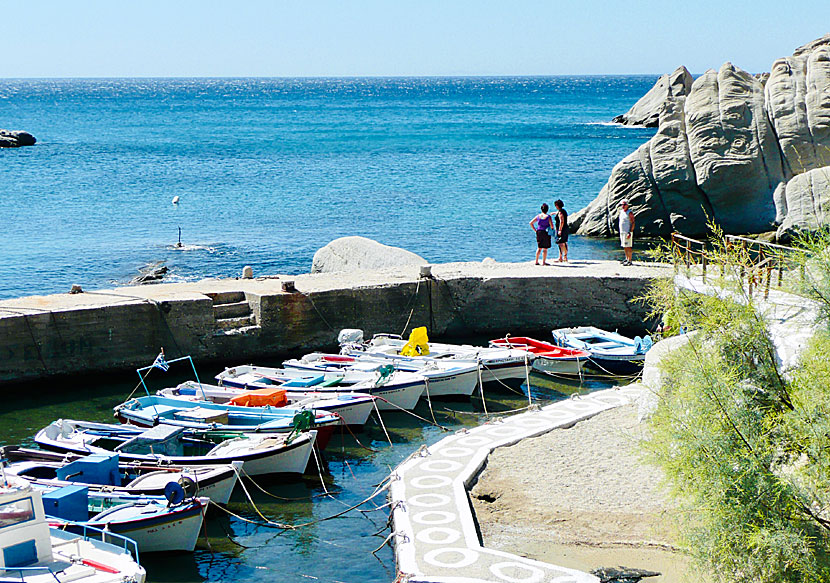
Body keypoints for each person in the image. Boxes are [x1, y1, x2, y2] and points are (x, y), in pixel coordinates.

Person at [619, 199, 635, 265]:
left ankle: (630, 260)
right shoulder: (621, 212)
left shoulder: (629, 212)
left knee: (628, 246)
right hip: (622, 231)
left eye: (624, 204)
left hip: (627, 232)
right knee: (624, 246)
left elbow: (633, 222)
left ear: (627, 205)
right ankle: (626, 258)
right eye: (622, 204)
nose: (623, 206)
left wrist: (630, 232)